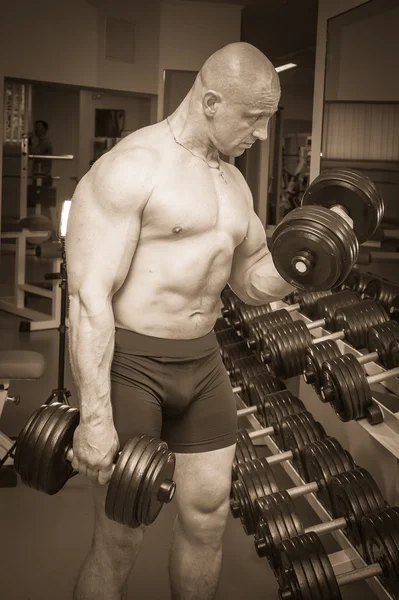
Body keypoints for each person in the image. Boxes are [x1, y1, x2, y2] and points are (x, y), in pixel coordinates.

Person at [66, 42, 294, 600]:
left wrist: (305, 261)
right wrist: (94, 416)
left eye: (269, 119)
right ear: (211, 101)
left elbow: (251, 282)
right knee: (121, 535)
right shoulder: (131, 167)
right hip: (133, 366)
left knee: (208, 517)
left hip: (203, 365)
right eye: (255, 117)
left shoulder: (234, 184)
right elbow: (89, 298)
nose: (262, 134)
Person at [29, 119, 53, 185]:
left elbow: (36, 153)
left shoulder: (46, 142)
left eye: (38, 127)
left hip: (43, 177)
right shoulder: (39, 142)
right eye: (35, 127)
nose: (36, 130)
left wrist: (29, 141)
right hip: (39, 176)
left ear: (44, 129)